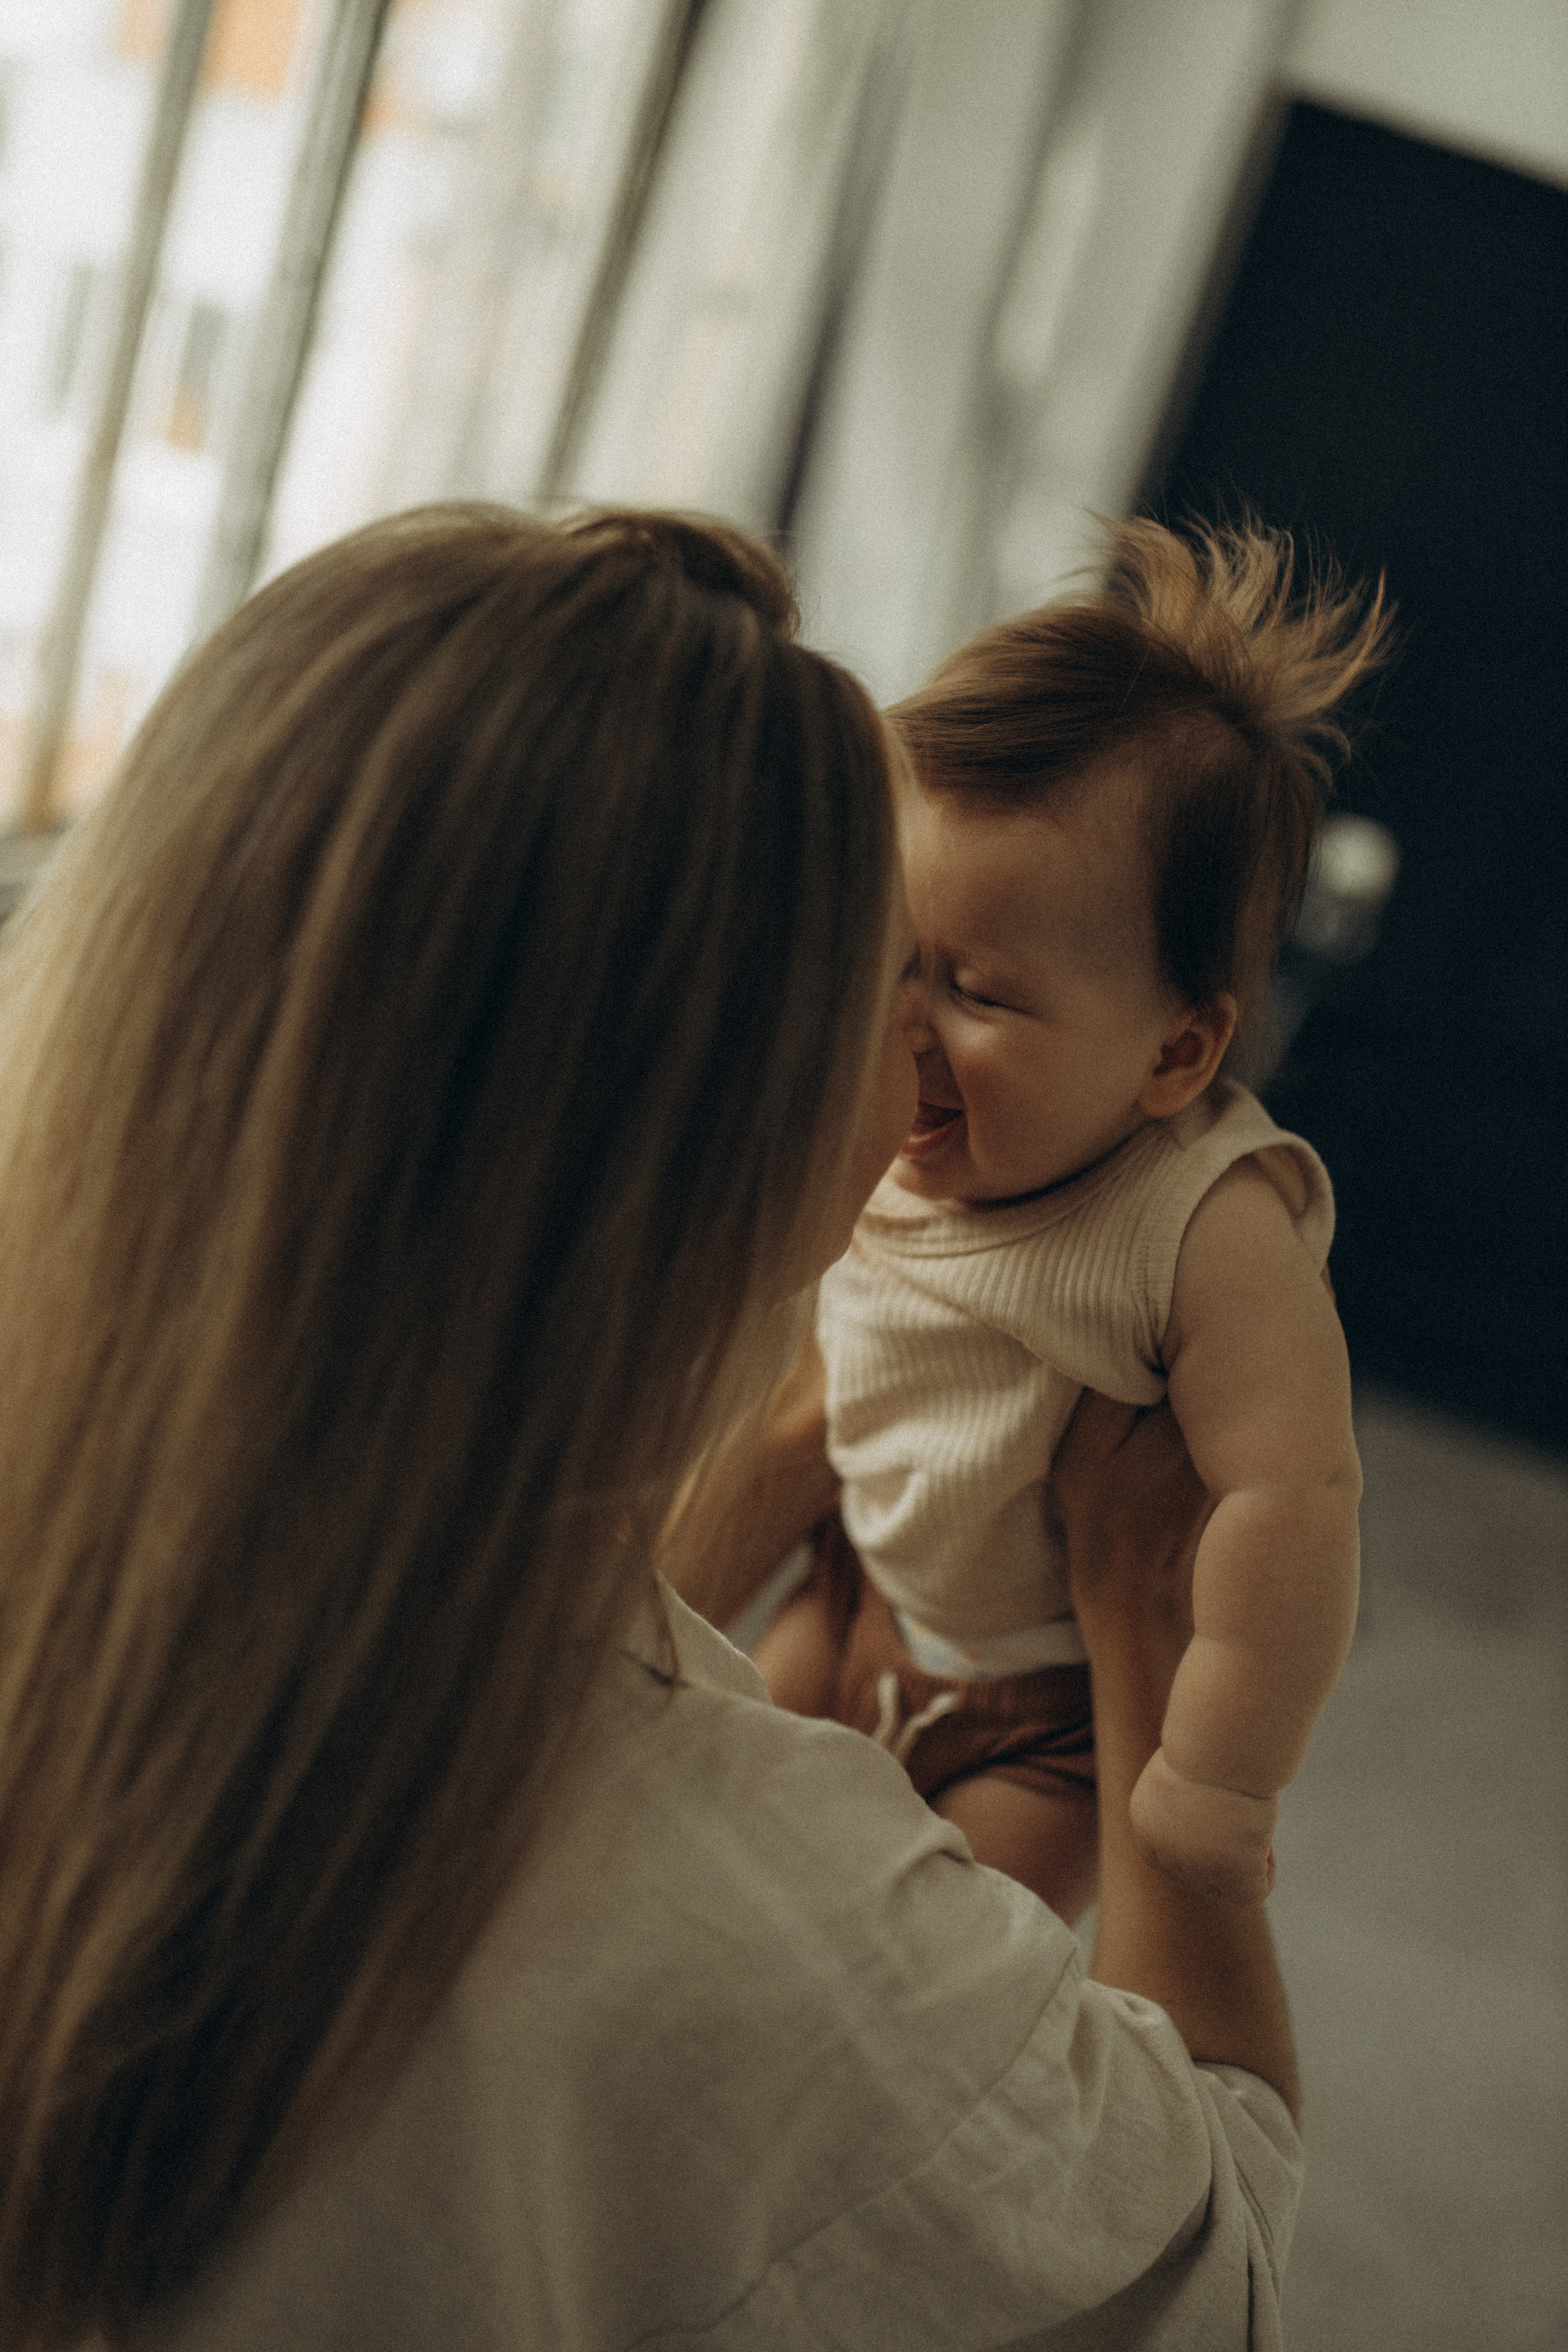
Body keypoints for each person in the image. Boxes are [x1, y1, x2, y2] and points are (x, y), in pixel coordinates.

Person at [0, 504, 1300, 2351]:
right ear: (740, 1157)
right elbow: (1216, 2272)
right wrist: (1157, 1664)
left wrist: (768, 1464)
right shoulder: (793, 1958)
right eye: (893, 992)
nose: (927, 1065)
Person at [755, 518, 1391, 1912]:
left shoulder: (1197, 1219)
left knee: (928, 1957)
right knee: (713, 1819)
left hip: (1039, 1726)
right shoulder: (877, 1094)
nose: (903, 1027)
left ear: (1174, 1055)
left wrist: (1215, 1780)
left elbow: (1294, 1497)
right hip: (856, 1592)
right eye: (889, 960)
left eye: (978, 994)